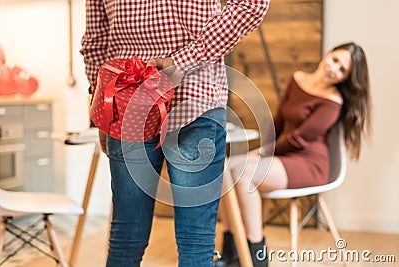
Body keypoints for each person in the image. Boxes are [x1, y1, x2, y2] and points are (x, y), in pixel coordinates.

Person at [80, 1, 270, 266]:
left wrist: (101, 107)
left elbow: (95, 43)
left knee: (127, 232)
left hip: (128, 103)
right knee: (196, 237)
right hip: (193, 97)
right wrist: (187, 60)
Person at [215, 42, 371, 267]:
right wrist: (263, 150)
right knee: (226, 167)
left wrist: (262, 153)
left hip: (310, 164)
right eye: (336, 60)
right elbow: (277, 123)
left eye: (342, 70)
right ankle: (232, 252)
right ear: (327, 53)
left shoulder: (333, 101)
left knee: (244, 173)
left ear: (345, 78)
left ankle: (257, 255)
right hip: (283, 156)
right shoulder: (297, 79)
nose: (334, 69)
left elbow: (301, 138)